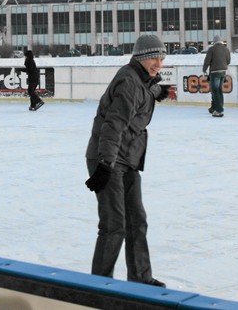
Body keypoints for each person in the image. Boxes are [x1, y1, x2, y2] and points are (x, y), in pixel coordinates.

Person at [84, 33, 171, 288]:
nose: (159, 63)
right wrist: (104, 165)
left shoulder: (140, 79)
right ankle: (98, 287)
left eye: (162, 57)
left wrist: (156, 91)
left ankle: (140, 279)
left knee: (137, 221)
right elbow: (113, 126)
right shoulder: (129, 83)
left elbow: (145, 85)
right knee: (114, 225)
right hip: (108, 159)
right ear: (141, 57)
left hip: (128, 159)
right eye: (154, 57)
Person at [202, 36, 231, 118]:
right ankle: (215, 107)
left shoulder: (212, 49)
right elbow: (228, 60)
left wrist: (204, 69)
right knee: (219, 90)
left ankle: (219, 110)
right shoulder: (226, 49)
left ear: (214, 42)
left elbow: (207, 60)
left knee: (215, 91)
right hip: (223, 72)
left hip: (215, 72)